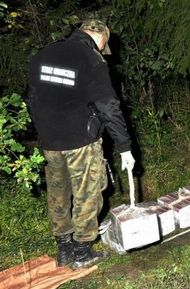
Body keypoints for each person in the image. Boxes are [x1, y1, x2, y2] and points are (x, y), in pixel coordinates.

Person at [24, 19, 135, 269]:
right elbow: (109, 106)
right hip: (80, 142)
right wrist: (125, 146)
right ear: (101, 39)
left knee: (58, 194)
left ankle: (64, 250)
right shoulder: (92, 58)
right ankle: (82, 251)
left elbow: (30, 97)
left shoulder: (44, 53)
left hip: (50, 142)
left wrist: (42, 130)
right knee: (88, 193)